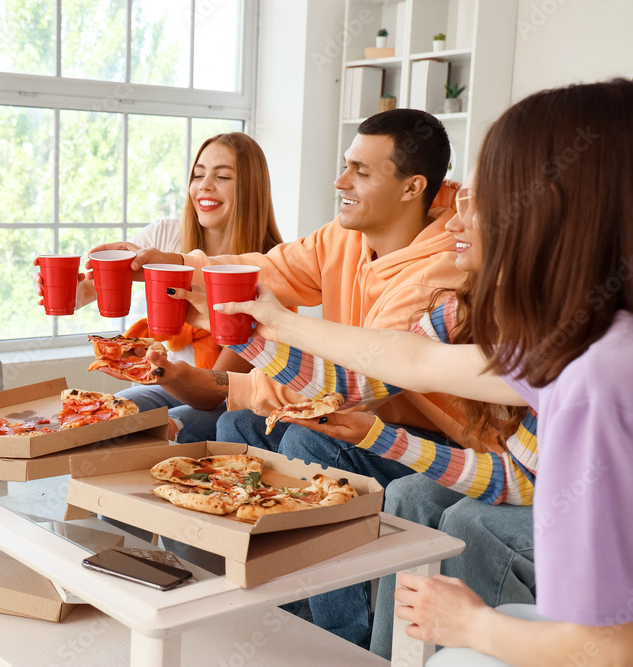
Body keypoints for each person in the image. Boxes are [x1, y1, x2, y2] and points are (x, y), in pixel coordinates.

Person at [209, 79, 633, 664]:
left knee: (461, 537)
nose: (455, 221)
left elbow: (613, 649)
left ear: (550, 214)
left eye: (483, 200)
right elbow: (405, 360)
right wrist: (268, 327)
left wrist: (469, 624)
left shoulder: (598, 373)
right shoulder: (571, 338)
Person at [91, 109, 483, 646]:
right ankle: (277, 608)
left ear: (413, 186)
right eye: (345, 166)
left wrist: (235, 385)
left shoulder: (439, 272)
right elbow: (264, 273)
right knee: (238, 432)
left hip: (421, 432)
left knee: (302, 437)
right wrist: (171, 266)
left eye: (361, 173)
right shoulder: (344, 237)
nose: (340, 181)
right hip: (349, 405)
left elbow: (356, 383)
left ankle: (338, 641)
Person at [176, 168, 537, 660]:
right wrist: (246, 338)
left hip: (545, 486)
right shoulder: (458, 308)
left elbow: (409, 363)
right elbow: (352, 383)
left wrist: (276, 325)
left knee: (451, 513)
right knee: (254, 430)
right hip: (516, 470)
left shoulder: (559, 341)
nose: (454, 221)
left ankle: (360, 646)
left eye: (474, 207)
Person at [38, 132, 283, 443]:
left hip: (230, 399)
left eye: (222, 176)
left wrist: (155, 369)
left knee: (166, 423)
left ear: (251, 190)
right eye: (198, 175)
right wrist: (72, 293)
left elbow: (212, 395)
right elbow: (90, 292)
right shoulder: (166, 236)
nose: (204, 185)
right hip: (169, 382)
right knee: (119, 409)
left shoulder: (273, 269)